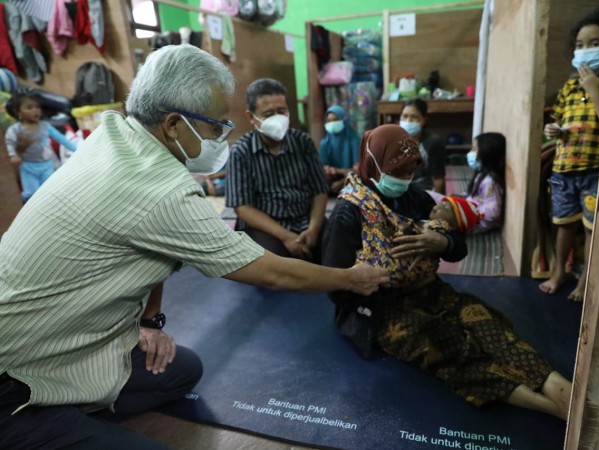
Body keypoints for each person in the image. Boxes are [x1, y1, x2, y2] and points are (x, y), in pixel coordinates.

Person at [0, 44, 389, 450]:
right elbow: (272, 271)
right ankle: (36, 418)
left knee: (182, 370)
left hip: (66, 340)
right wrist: (352, 278)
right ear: (173, 123)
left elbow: (153, 246)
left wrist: (149, 322)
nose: (221, 137)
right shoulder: (161, 190)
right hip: (13, 373)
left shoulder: (114, 134)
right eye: (215, 127)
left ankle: (70, 407)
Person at [322, 124, 572, 420]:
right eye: (398, 171)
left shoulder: (414, 197)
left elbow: (457, 246)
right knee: (446, 342)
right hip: (376, 308)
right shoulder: (347, 214)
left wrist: (440, 242)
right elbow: (337, 289)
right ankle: (549, 406)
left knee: (484, 321)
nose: (405, 179)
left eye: (409, 171)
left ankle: (559, 387)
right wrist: (383, 276)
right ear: (374, 164)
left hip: (429, 290)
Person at [539, 5, 599, 302]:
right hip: (564, 170)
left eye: (595, 44)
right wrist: (554, 129)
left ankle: (585, 278)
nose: (585, 51)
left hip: (594, 171)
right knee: (563, 225)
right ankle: (560, 270)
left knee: (590, 229)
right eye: (579, 45)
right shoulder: (570, 86)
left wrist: (595, 90)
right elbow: (558, 119)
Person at [226, 78, 329, 261]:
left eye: (281, 111)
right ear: (252, 118)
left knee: (337, 248)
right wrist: (286, 237)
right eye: (268, 114)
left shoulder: (303, 143)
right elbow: (243, 208)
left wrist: (313, 229)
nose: (277, 119)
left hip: (305, 221)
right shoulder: (241, 152)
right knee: (276, 264)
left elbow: (319, 191)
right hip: (265, 228)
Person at [4, 91, 77, 203]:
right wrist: (13, 155)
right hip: (28, 166)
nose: (35, 110)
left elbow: (61, 138)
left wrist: (76, 149)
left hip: (47, 165)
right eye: (29, 108)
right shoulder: (15, 130)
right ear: (18, 112)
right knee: (31, 194)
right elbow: (9, 142)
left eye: (37, 107)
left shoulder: (45, 126)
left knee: (50, 191)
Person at [399, 98, 446, 194]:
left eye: (414, 117)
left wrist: (439, 202)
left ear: (424, 120)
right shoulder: (394, 139)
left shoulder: (433, 143)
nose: (408, 121)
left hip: (423, 194)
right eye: (405, 116)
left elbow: (438, 178)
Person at [462, 132, 506, 234]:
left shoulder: (490, 181)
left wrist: (468, 213)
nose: (470, 153)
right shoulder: (481, 175)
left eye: (474, 149)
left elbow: (493, 212)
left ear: (487, 153)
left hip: (475, 222)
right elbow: (477, 198)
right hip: (470, 213)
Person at [319, 104, 360, 195]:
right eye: (328, 121)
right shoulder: (325, 142)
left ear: (343, 120)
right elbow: (321, 167)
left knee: (359, 180)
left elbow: (358, 170)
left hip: (350, 178)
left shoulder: (354, 139)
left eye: (335, 120)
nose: (332, 123)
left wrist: (341, 182)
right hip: (334, 178)